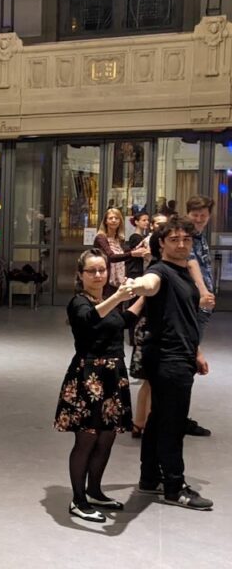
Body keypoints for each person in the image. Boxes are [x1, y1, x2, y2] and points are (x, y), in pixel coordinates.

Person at [122, 216, 214, 510]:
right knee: (172, 424)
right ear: (161, 243)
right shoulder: (160, 271)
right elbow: (150, 284)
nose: (181, 244)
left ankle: (150, 478)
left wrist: (196, 352)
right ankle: (175, 487)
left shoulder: (183, 271)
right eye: (174, 240)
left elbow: (183, 317)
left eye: (186, 239)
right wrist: (137, 285)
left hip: (179, 354)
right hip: (167, 358)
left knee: (159, 417)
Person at [54, 250, 141, 522]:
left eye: (102, 269)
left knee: (106, 437)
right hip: (89, 376)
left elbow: (124, 321)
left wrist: (143, 297)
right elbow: (90, 319)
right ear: (80, 275)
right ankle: (78, 500)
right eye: (91, 271)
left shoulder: (107, 299)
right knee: (87, 438)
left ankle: (94, 491)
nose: (98, 275)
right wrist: (118, 297)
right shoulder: (78, 302)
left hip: (113, 374)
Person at [129, 213, 167, 437]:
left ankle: (140, 423)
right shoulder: (158, 267)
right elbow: (148, 284)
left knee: (149, 381)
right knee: (153, 381)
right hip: (151, 329)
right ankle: (147, 424)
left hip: (149, 326)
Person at [184, 195, 217, 437]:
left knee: (187, 361)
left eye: (203, 215)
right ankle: (177, 418)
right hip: (194, 304)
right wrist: (203, 292)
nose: (199, 219)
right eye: (195, 215)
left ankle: (176, 415)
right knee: (187, 360)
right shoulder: (185, 236)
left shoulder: (200, 236)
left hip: (202, 306)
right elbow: (191, 264)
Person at [93, 207, 139, 296]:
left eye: (116, 218)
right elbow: (111, 257)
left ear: (120, 221)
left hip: (120, 281)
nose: (114, 220)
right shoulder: (101, 238)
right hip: (106, 281)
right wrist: (132, 254)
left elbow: (124, 256)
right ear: (106, 221)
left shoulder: (119, 239)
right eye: (110, 218)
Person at [124, 210, 151, 280]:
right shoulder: (135, 237)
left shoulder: (142, 237)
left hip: (139, 270)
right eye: (144, 220)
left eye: (148, 220)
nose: (147, 222)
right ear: (136, 222)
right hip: (135, 271)